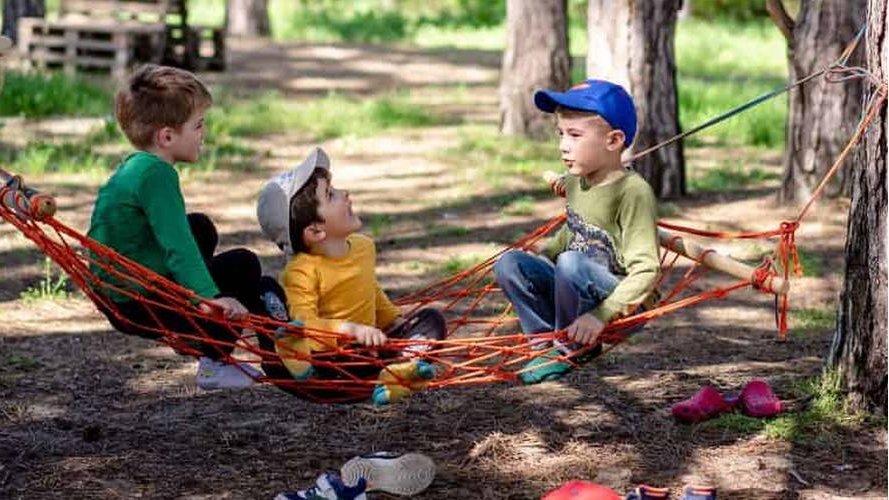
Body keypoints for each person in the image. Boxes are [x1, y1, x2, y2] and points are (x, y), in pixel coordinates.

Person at [88, 64, 271, 390]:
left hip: (117, 292)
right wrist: (210, 299)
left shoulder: (136, 166)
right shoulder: (157, 175)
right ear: (167, 136)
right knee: (243, 264)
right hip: (140, 302)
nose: (204, 132)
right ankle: (215, 361)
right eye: (198, 125)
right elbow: (178, 245)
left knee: (200, 226)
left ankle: (193, 330)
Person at [493, 79, 660, 384]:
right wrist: (545, 253)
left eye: (575, 135)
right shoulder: (576, 181)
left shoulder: (633, 193)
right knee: (510, 263)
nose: (563, 145)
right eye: (561, 134)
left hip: (622, 304)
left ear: (613, 141)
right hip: (576, 285)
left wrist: (601, 315)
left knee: (570, 262)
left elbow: (647, 270)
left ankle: (571, 349)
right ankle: (544, 344)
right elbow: (577, 230)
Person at [256, 147, 446, 404]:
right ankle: (392, 374)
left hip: (371, 354)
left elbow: (368, 288)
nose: (345, 193)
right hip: (333, 366)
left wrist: (394, 322)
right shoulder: (301, 271)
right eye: (330, 194)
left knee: (431, 320)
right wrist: (349, 330)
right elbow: (304, 325)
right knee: (299, 349)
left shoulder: (362, 247)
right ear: (315, 232)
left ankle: (397, 371)